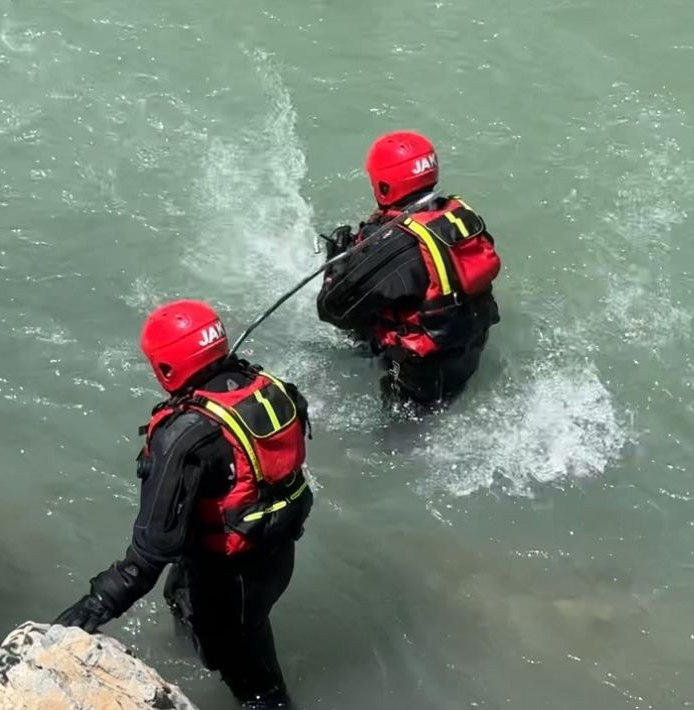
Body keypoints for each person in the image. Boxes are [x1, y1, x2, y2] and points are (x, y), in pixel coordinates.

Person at [55, 299, 313, 710]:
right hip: (274, 552)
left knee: (255, 683)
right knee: (185, 600)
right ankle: (202, 649)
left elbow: (152, 550)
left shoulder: (185, 436)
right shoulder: (266, 387)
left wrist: (97, 604)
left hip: (231, 578)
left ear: (167, 367)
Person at [316, 130, 502, 406]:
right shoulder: (457, 214)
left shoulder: (398, 246)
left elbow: (333, 311)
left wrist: (339, 262)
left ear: (385, 185)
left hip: (421, 375)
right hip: (469, 349)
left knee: (396, 435)